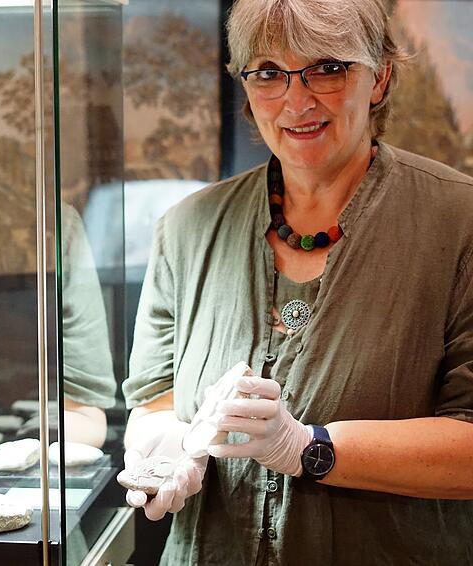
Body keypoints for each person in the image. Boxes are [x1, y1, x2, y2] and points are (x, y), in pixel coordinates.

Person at [119, 0, 473, 564]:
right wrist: (164, 444)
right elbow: (156, 397)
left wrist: (308, 448)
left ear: (379, 77)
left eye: (327, 68)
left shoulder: (458, 223)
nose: (297, 100)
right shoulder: (187, 229)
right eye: (268, 73)